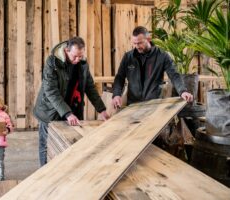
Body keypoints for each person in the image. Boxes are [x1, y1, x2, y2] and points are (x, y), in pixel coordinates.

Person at [33, 36, 110, 166]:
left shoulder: (82, 64)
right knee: (46, 146)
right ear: (66, 50)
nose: (77, 60)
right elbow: (51, 91)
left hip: (71, 109)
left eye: (80, 56)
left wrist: (101, 109)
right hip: (50, 111)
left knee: (70, 144)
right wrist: (67, 113)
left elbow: (89, 87)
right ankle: (44, 173)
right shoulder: (53, 62)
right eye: (74, 56)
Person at [112, 26, 193, 109]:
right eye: (134, 43)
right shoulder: (128, 57)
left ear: (148, 39)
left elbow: (174, 75)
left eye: (140, 43)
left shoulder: (162, 56)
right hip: (133, 105)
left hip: (154, 105)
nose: (137, 46)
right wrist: (116, 94)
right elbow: (119, 78)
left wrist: (183, 91)